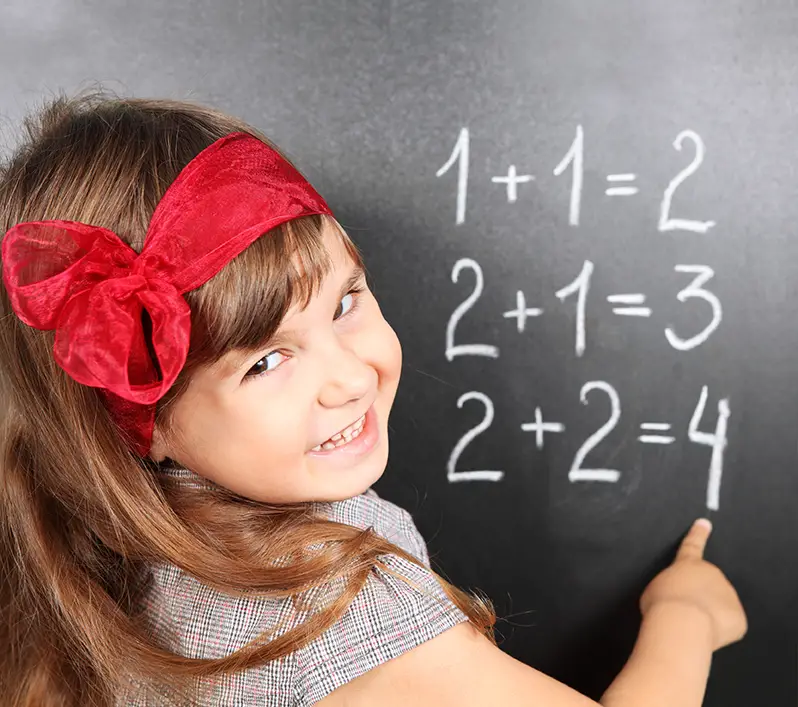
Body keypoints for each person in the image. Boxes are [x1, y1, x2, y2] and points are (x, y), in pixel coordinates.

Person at [0, 91, 746, 707]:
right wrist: (685, 616)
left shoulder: (96, 555)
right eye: (266, 361)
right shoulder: (333, 606)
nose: (350, 377)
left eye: (345, 300)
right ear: (143, 421)